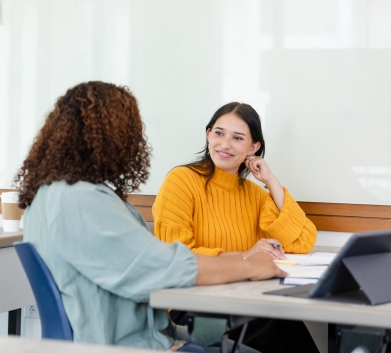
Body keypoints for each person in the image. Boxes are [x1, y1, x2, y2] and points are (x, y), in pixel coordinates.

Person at [15, 82, 285, 353]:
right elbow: (168, 267)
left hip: (146, 332)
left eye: (238, 137)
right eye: (130, 131)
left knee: (275, 327)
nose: (134, 141)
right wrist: (250, 265)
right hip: (132, 344)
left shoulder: (57, 193)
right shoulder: (81, 201)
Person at [152, 102, 319, 353]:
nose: (225, 144)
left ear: (254, 148)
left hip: (242, 298)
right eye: (218, 133)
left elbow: (303, 241)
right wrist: (245, 257)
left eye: (237, 138)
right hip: (190, 303)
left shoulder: (254, 194)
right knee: (273, 323)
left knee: (283, 319)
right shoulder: (181, 181)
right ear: (208, 135)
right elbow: (176, 257)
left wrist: (271, 182)